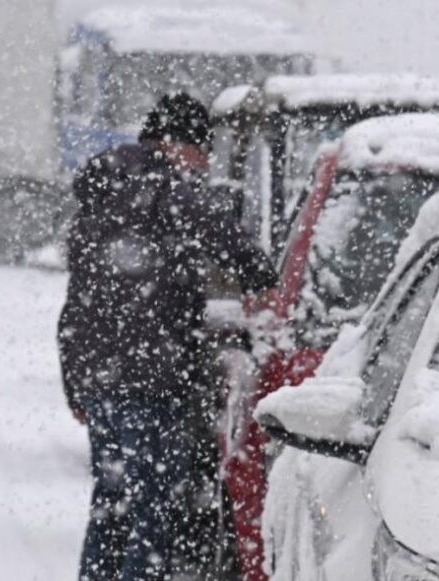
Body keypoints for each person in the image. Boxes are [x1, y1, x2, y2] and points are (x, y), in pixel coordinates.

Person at [58, 93, 277, 581]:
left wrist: (77, 385)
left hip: (100, 378)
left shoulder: (101, 194)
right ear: (179, 143)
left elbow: (75, 306)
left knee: (111, 504)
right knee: (151, 515)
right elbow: (226, 239)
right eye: (200, 151)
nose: (202, 165)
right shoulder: (165, 188)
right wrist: (262, 276)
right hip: (148, 378)